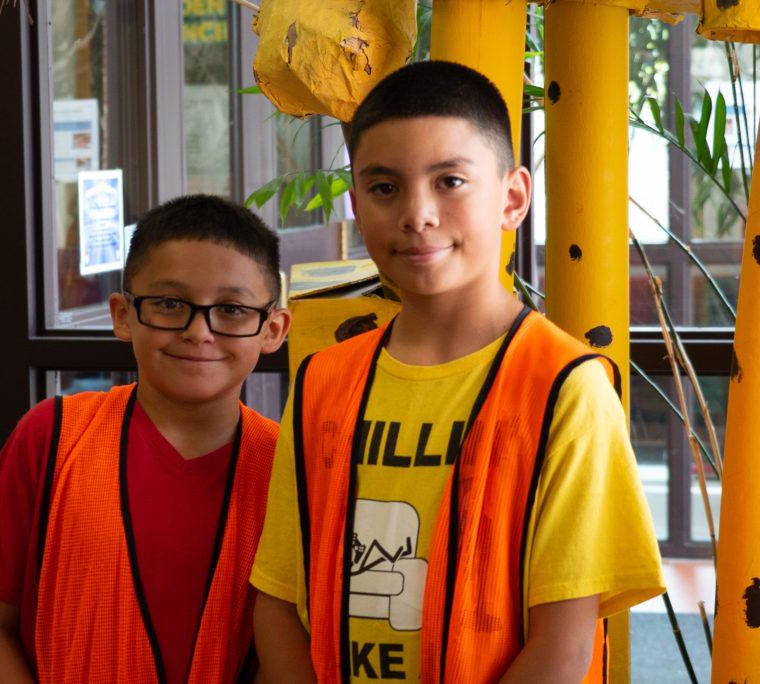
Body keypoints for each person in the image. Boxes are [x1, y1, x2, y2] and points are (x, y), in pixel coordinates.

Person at [250, 61, 665, 683]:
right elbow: (280, 598)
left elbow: (564, 648)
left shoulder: (564, 387)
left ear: (513, 198)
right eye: (384, 188)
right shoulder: (322, 382)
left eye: (449, 181)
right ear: (357, 207)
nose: (418, 214)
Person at [0, 194, 292, 682]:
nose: (199, 332)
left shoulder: (288, 469)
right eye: (170, 304)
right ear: (123, 315)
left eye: (232, 308)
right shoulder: (52, 437)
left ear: (273, 329)